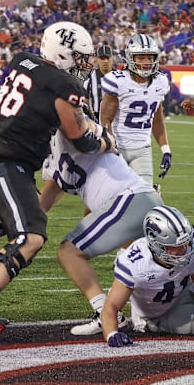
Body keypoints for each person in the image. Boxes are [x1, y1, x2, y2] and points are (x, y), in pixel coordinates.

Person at [0, 21, 110, 335]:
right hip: (5, 162)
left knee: (26, 234)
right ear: (62, 53)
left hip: (2, 157)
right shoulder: (63, 85)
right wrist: (105, 140)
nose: (85, 64)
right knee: (31, 238)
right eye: (79, 57)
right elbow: (79, 138)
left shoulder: (22, 60)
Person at [39, 120, 163, 336]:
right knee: (163, 268)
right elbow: (47, 196)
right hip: (135, 200)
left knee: (69, 252)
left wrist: (103, 136)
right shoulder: (52, 147)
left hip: (128, 200)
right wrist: (14, 221)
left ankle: (105, 312)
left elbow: (89, 127)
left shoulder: (69, 122)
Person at [100, 205, 194, 347]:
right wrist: (112, 334)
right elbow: (111, 305)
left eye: (185, 242)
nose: (184, 249)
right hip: (158, 314)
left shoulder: (193, 245)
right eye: (175, 246)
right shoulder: (135, 264)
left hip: (184, 290)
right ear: (157, 245)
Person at [100, 34, 172, 185]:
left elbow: (157, 121)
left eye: (150, 57)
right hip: (118, 147)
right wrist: (110, 144)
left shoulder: (160, 82)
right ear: (131, 58)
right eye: (141, 57)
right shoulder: (119, 81)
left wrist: (166, 150)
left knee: (144, 195)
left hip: (142, 149)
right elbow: (106, 119)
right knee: (107, 198)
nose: (146, 62)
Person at [84, 45, 115, 122]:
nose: (105, 61)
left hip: (115, 120)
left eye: (107, 58)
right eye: (102, 58)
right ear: (97, 59)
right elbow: (85, 102)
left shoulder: (120, 78)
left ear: (112, 59)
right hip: (96, 120)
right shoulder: (90, 79)